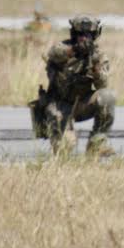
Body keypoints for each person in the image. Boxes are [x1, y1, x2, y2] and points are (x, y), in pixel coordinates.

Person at [30, 15, 115, 157]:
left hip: (82, 104)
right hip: (59, 106)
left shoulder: (98, 55)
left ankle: (96, 144)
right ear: (74, 34)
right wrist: (75, 51)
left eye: (88, 35)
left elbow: (103, 85)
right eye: (81, 34)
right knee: (65, 150)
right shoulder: (62, 48)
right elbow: (52, 54)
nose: (84, 38)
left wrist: (96, 69)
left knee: (107, 97)